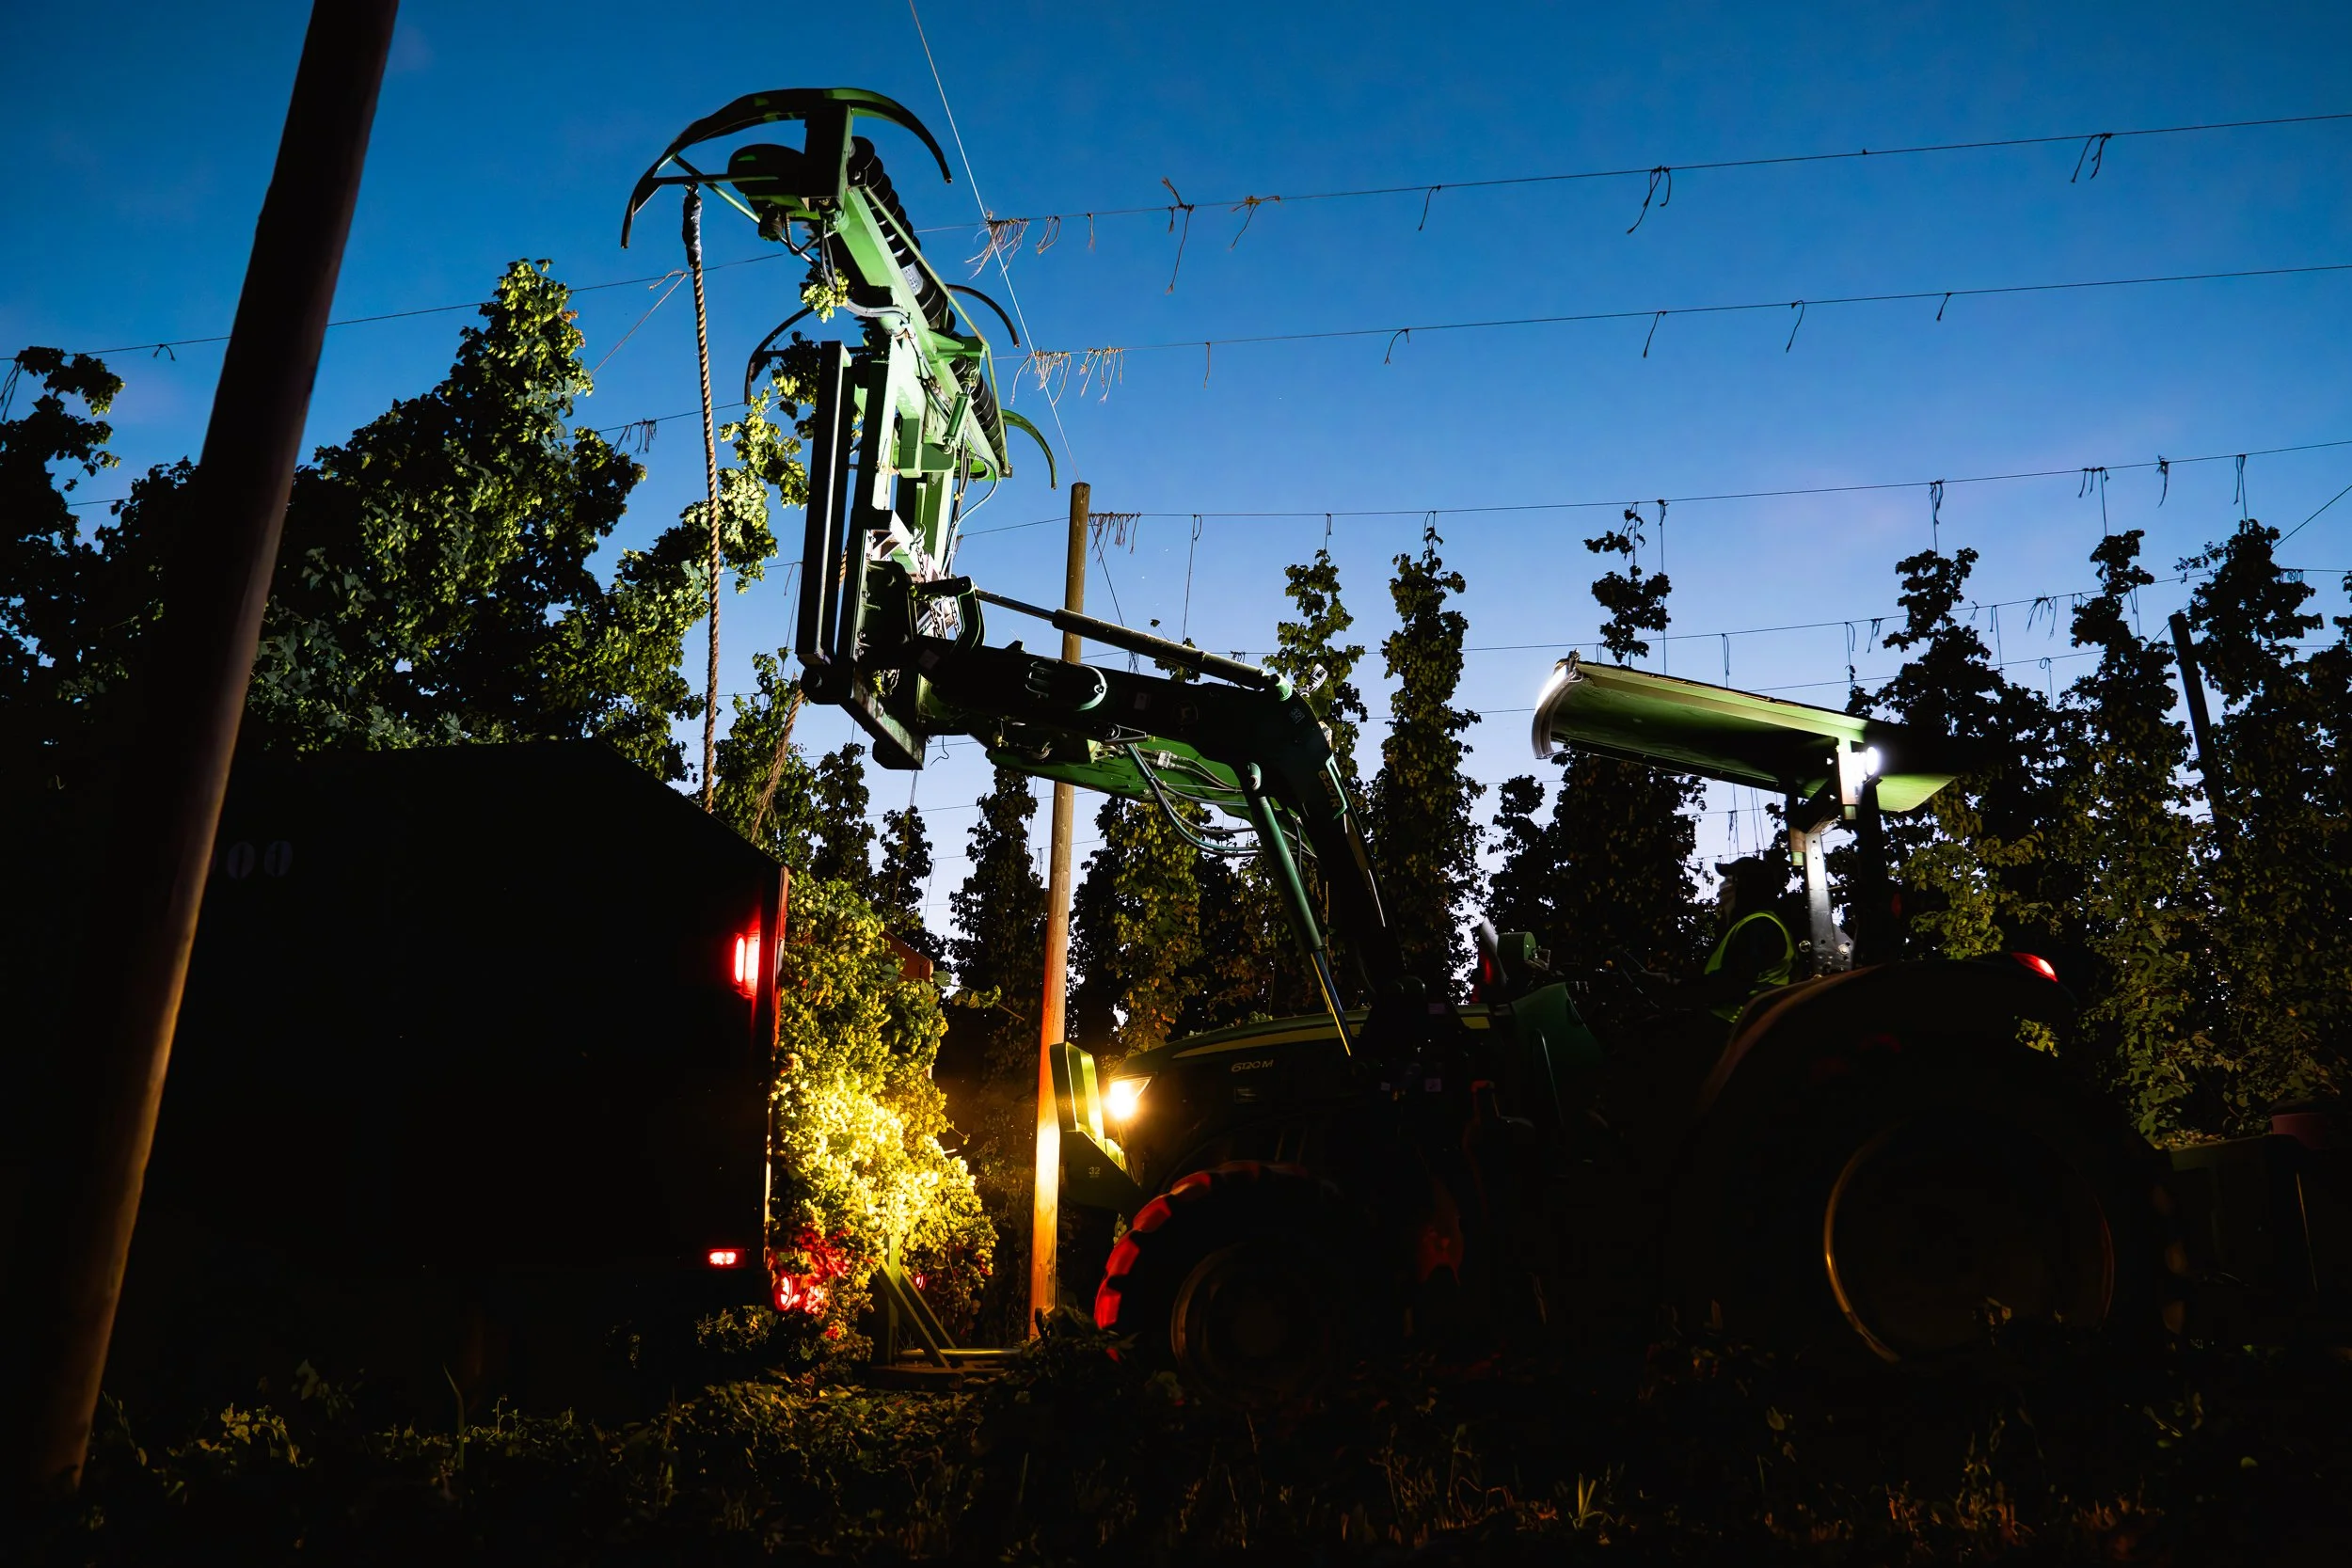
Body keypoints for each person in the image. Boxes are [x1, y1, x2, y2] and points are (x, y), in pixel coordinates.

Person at [1698, 856, 1795, 1022]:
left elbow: (1732, 983)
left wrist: (1677, 988)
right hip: (1739, 1023)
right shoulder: (1750, 924)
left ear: (1743, 886)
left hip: (1738, 1026)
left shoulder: (1759, 926)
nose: (1721, 888)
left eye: (1728, 880)